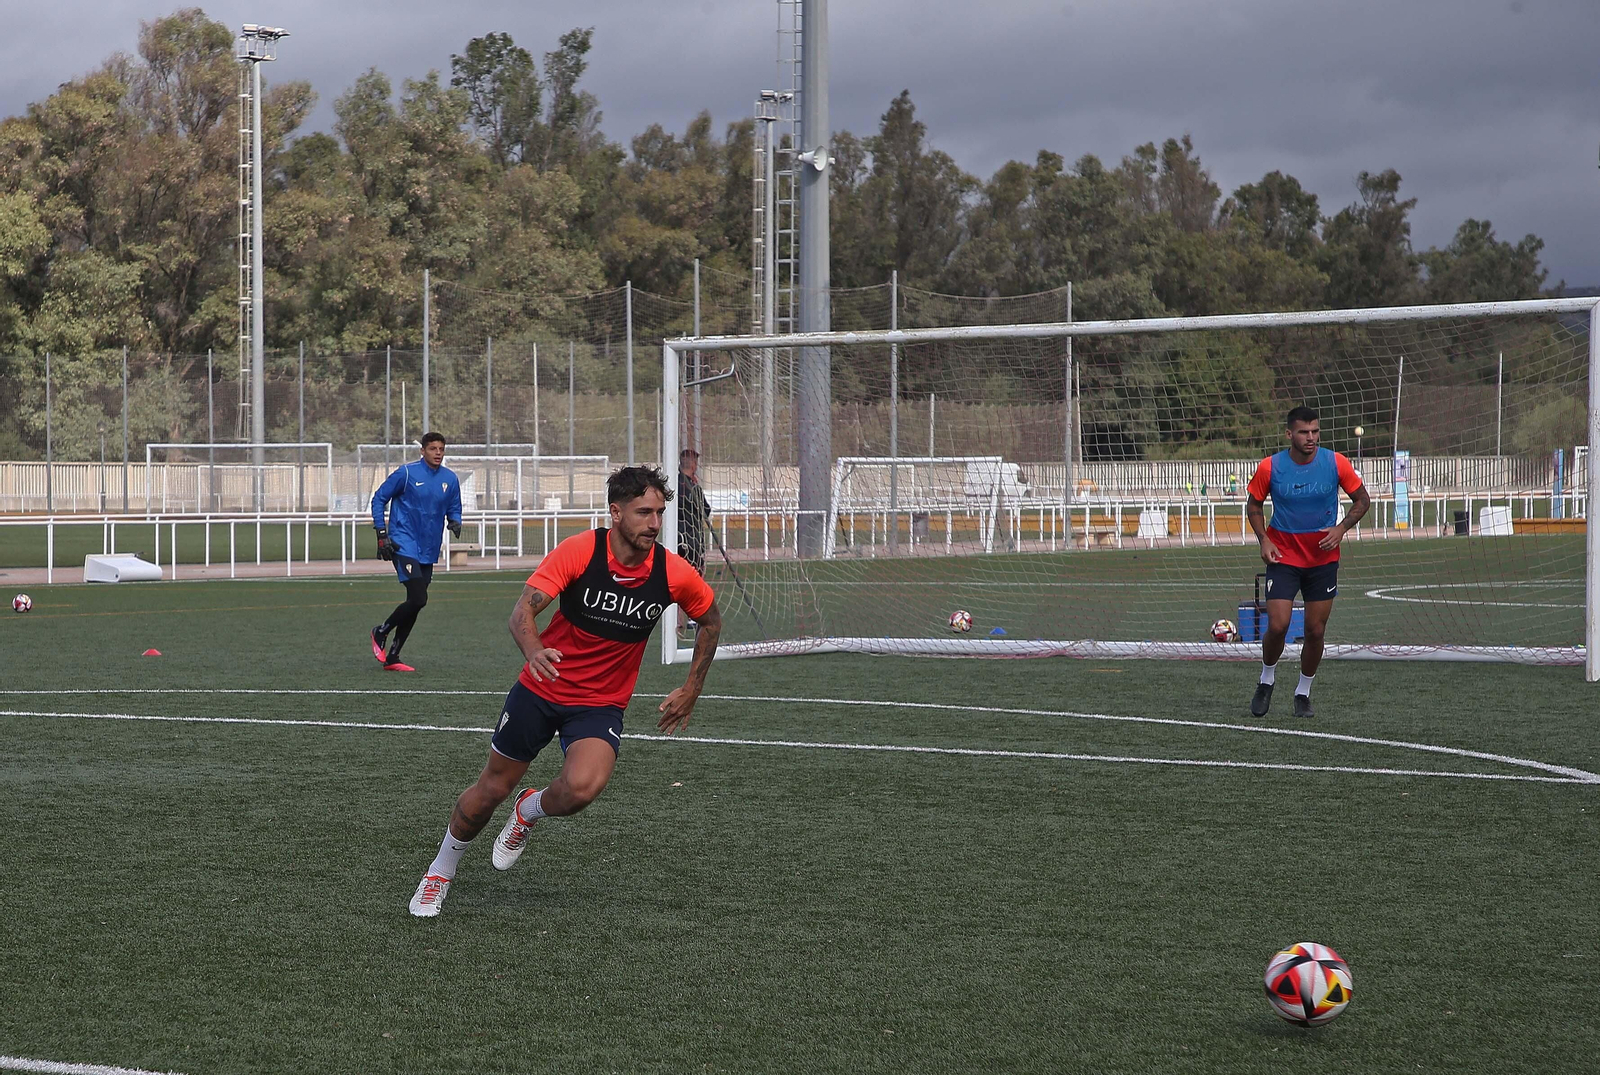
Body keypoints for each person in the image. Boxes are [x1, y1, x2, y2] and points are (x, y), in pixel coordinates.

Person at [408, 464, 723, 917]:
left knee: (580, 790)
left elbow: (711, 622)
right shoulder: (579, 552)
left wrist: (692, 688)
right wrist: (534, 651)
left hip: (600, 704)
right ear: (616, 513)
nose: (654, 523)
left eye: (659, 513)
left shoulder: (674, 573)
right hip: (540, 690)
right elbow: (521, 614)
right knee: (489, 791)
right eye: (643, 513)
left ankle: (529, 810)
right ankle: (440, 870)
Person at [1245, 406, 1370, 719]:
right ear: (1290, 434)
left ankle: (1303, 692)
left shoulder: (1336, 462)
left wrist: (1341, 529)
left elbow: (1363, 500)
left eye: (1315, 431)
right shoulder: (1270, 467)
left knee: (1315, 630)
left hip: (1322, 558)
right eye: (1304, 432)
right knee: (1278, 624)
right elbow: (1254, 505)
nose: (1311, 438)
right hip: (1284, 555)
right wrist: (1265, 540)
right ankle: (1266, 679)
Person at [369, 432, 463, 672]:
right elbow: (379, 499)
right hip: (403, 542)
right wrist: (382, 534)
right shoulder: (407, 473)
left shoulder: (450, 479)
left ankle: (393, 657)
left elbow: (454, 505)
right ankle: (381, 631)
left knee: (415, 602)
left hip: (429, 548)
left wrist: (455, 520)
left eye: (441, 449)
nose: (438, 453)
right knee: (419, 597)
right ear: (422, 451)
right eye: (433, 449)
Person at [676, 448, 713, 574]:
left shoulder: (673, 484)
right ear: (693, 465)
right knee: (694, 577)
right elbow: (706, 510)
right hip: (692, 541)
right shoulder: (693, 488)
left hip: (676, 539)